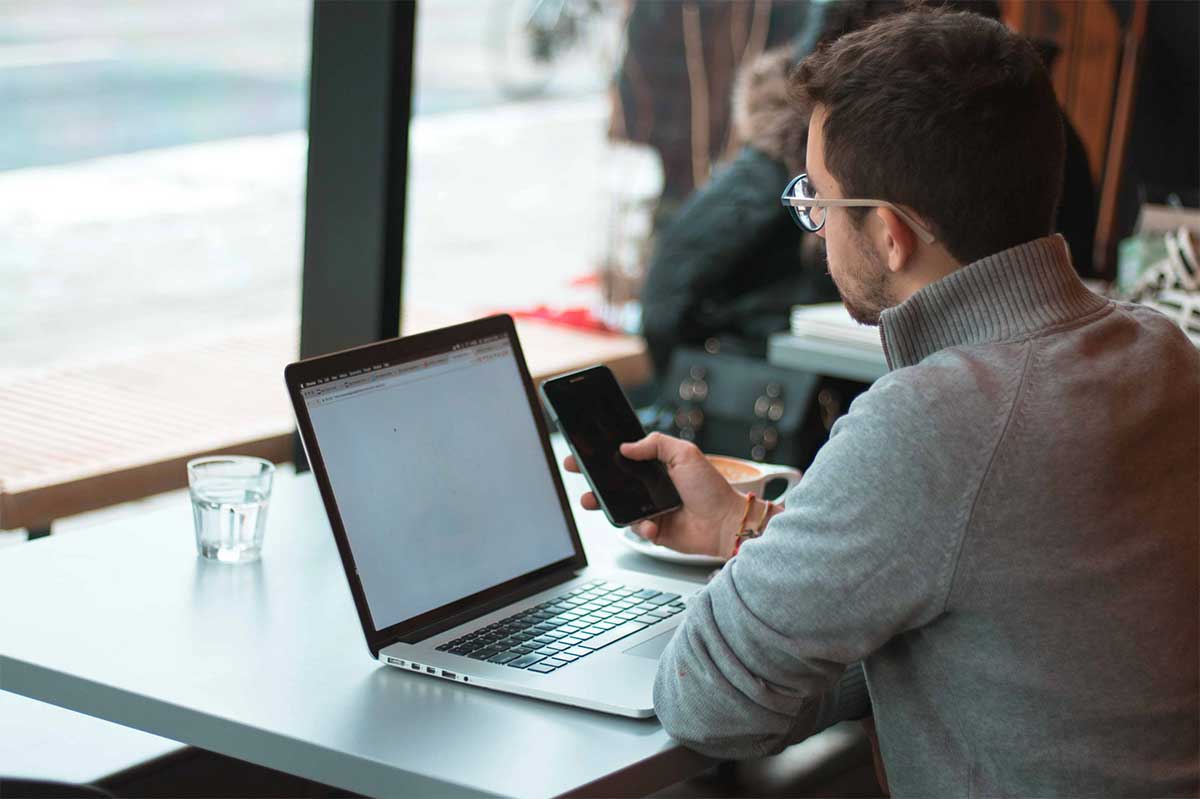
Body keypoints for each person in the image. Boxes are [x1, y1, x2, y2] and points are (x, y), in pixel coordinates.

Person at [566, 7, 1199, 794]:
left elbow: (706, 701)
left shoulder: (934, 421)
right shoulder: (1160, 352)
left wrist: (763, 573)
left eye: (820, 202)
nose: (816, 228)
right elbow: (973, 597)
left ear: (892, 235)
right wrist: (747, 525)